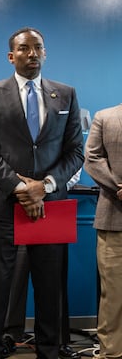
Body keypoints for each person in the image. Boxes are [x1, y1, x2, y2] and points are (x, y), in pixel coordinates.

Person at [0, 27, 84, 359]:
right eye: (24, 48)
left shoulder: (66, 94)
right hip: (5, 205)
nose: (32, 53)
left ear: (44, 53)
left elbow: (75, 151)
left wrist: (45, 187)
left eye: (38, 48)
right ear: (11, 56)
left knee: (50, 290)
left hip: (51, 206)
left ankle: (49, 351)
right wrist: (22, 188)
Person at [2, 171, 83, 358]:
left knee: (55, 281)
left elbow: (73, 169)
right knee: (17, 275)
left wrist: (45, 188)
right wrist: (28, 190)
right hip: (22, 203)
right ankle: (9, 334)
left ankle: (59, 340)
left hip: (55, 202)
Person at [84, 104, 122, 358]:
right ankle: (111, 353)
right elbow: (93, 158)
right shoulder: (105, 117)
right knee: (114, 295)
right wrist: (118, 187)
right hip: (114, 219)